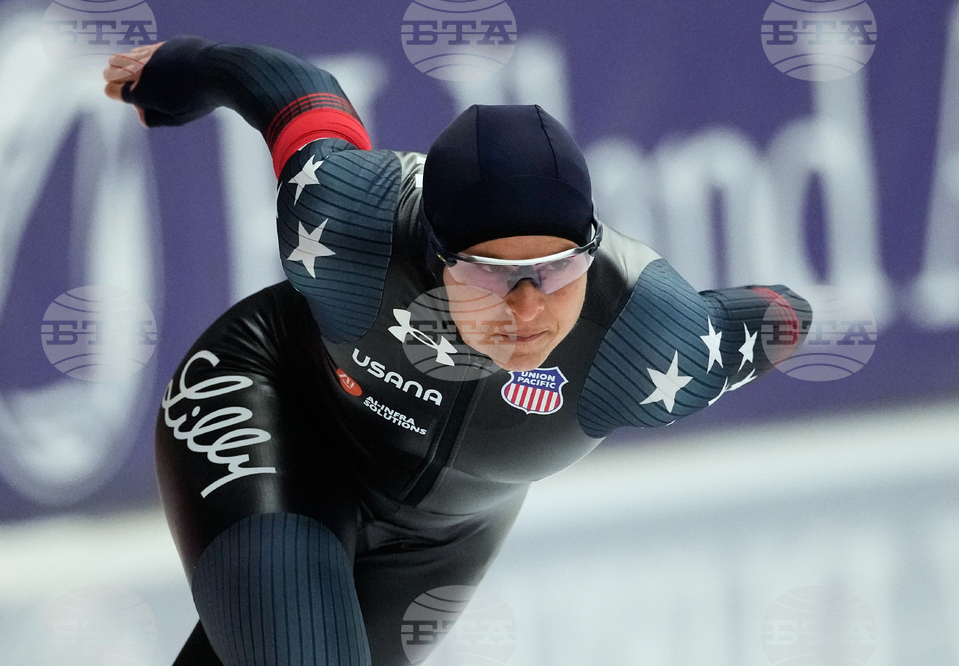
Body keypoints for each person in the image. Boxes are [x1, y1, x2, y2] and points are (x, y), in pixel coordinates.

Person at [104, 36, 810, 666]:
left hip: (445, 534)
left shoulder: (649, 335)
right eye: (489, 275)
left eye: (559, 269)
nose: (527, 308)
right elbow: (290, 86)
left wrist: (793, 313)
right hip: (276, 411)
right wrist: (175, 73)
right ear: (433, 255)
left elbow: (780, 316)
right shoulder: (352, 225)